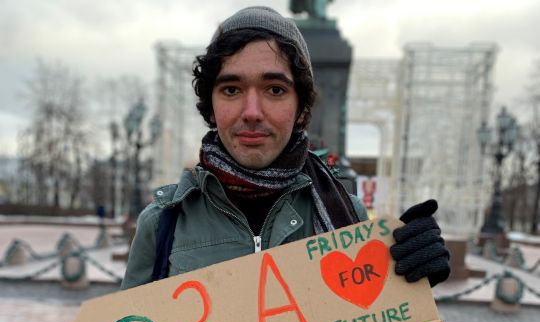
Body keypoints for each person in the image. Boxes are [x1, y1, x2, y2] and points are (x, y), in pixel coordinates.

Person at [121, 6, 450, 290]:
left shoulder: (350, 219)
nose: (252, 112)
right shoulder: (162, 223)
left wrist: (404, 285)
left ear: (302, 108)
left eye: (275, 90)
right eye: (232, 89)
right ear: (210, 106)